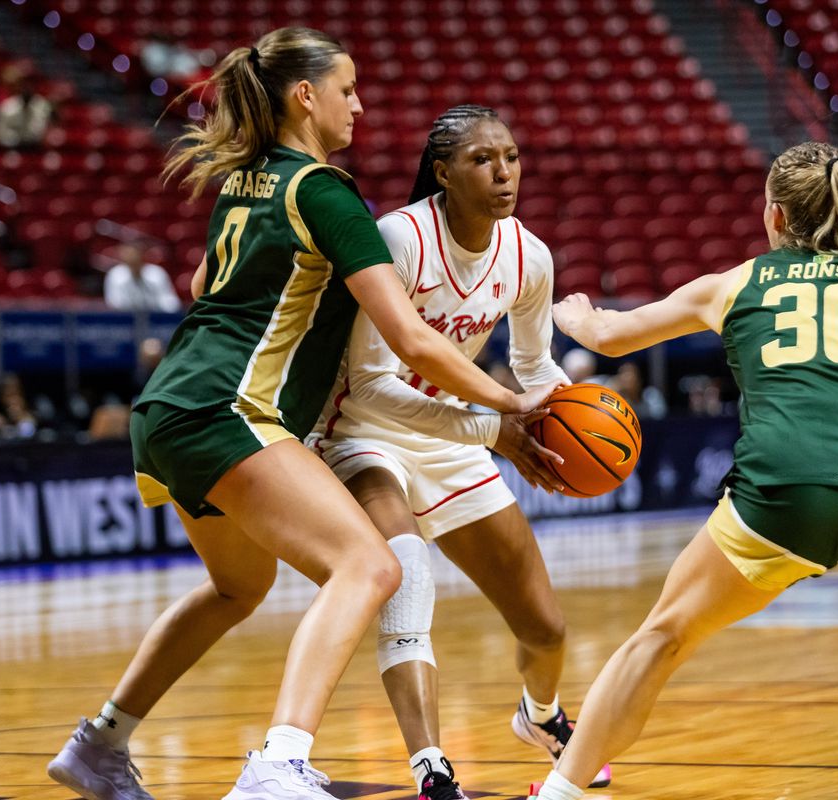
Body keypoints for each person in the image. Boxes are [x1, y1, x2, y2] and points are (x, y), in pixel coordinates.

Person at [45, 28, 556, 800]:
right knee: (371, 565)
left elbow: (197, 284)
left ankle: (99, 743)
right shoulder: (325, 191)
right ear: (305, 96)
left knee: (235, 589)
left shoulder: (245, 181)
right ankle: (278, 764)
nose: (358, 104)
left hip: (166, 406)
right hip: (231, 407)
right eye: (347, 89)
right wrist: (513, 405)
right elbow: (410, 336)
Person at [533, 141, 838, 800]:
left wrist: (577, 315)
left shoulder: (732, 284)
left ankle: (561, 791)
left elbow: (611, 337)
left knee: (664, 635)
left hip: (778, 492)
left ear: (776, 218)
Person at [308, 104, 611, 799]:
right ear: (442, 172)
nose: (503, 171)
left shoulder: (527, 255)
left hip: (453, 434)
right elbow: (373, 386)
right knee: (407, 574)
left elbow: (534, 369)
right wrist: (493, 427)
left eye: (510, 156)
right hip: (362, 433)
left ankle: (540, 716)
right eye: (482, 159)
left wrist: (576, 421)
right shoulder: (401, 237)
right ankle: (431, 769)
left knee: (545, 626)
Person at [102, 243, 182, 312]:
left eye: (134, 257)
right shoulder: (115, 275)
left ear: (141, 256)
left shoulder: (156, 273)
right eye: (129, 258)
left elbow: (170, 301)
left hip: (155, 318)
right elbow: (114, 303)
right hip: (124, 320)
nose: (132, 260)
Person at [0, 74, 52, 147]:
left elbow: (49, 127)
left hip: (36, 145)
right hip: (12, 145)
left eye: (30, 85)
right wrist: (14, 140)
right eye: (25, 85)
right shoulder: (8, 106)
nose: (28, 89)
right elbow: (0, 130)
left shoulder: (43, 104)